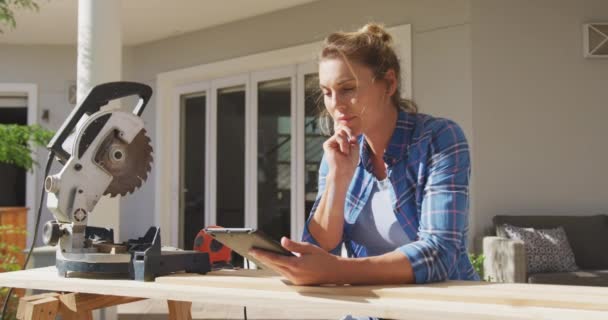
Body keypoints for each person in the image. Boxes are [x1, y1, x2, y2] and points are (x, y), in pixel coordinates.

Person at [250, 23, 480, 286]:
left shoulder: (439, 139)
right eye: (326, 93)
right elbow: (320, 253)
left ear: (389, 84)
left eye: (347, 88)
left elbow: (439, 253)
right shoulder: (335, 156)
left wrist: (337, 271)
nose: (335, 104)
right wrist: (338, 177)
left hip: (442, 307)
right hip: (371, 308)